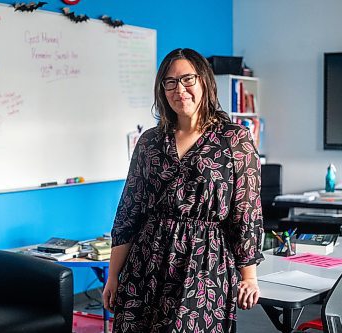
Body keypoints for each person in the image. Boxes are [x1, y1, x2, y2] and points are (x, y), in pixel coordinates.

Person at [102, 48, 264, 333]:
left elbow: (246, 211)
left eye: (188, 79)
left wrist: (249, 276)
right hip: (146, 262)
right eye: (170, 82)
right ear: (162, 90)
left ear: (204, 82)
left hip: (204, 264)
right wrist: (113, 275)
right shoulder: (149, 141)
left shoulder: (234, 139)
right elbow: (129, 211)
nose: (180, 89)